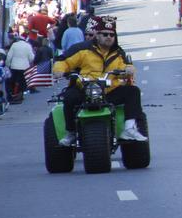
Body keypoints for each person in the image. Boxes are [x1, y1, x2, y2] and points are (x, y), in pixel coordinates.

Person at [53, 16, 146, 146]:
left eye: (111, 35)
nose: (109, 37)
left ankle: (129, 128)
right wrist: (59, 70)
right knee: (68, 98)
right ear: (97, 35)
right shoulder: (82, 49)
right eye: (105, 34)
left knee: (133, 92)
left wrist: (128, 70)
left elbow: (125, 66)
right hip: (84, 90)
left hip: (108, 91)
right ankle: (71, 133)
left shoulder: (118, 53)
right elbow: (63, 60)